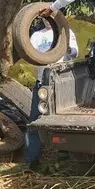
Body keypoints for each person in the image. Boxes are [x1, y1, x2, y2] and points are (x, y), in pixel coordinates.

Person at [25, 18, 79, 166]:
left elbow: (75, 53)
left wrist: (67, 48)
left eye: (50, 17)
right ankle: (31, 159)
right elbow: (30, 55)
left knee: (63, 119)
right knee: (35, 120)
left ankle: (65, 156)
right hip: (42, 82)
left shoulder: (66, 33)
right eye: (44, 17)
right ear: (42, 19)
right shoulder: (36, 36)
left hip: (61, 82)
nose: (48, 20)